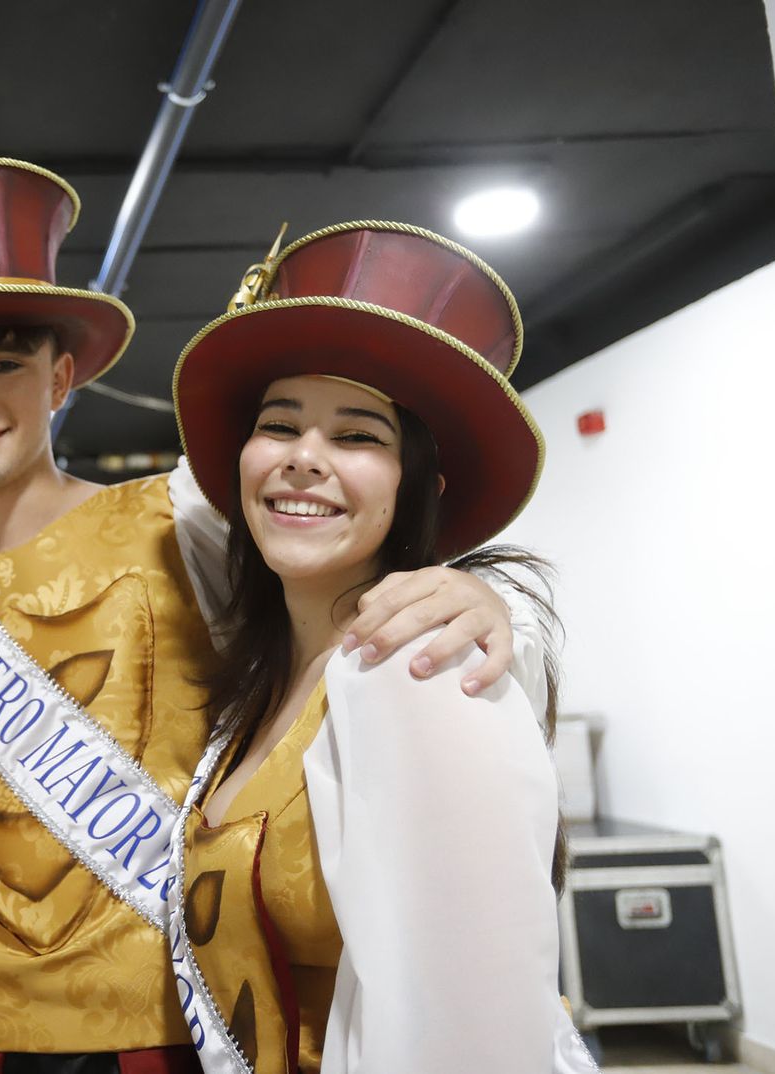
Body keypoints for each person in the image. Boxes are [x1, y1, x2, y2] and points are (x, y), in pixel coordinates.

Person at [0, 160, 549, 1073]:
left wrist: (484, 594)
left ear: (61, 378)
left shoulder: (184, 520)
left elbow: (336, 563)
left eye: (8, 363)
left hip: (180, 1029)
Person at [167, 220, 597, 1073]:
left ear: (418, 488)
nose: (303, 460)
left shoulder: (426, 674)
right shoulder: (264, 667)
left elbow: (473, 1038)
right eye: (279, 424)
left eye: (358, 436)